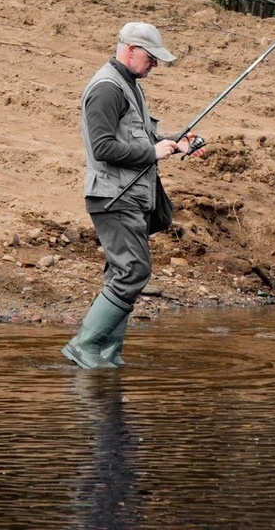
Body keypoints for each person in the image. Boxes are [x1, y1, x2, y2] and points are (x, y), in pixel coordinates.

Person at [62, 21, 202, 369]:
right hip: (114, 197)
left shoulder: (129, 85)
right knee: (134, 271)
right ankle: (85, 346)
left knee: (122, 273)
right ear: (130, 50)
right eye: (151, 57)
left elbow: (138, 139)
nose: (154, 64)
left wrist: (177, 143)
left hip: (128, 197)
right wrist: (152, 153)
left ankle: (107, 354)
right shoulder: (107, 88)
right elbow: (103, 147)